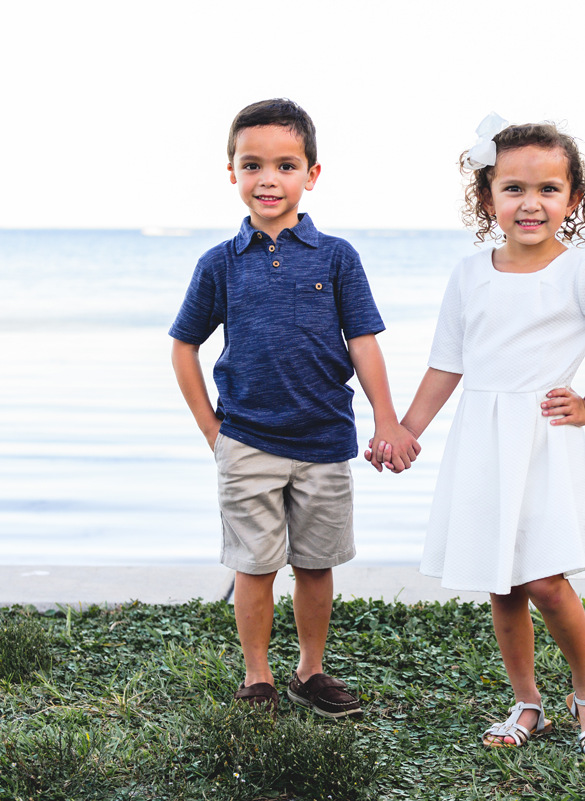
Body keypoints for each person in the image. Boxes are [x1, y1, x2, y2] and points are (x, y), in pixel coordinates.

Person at [371, 116, 585, 757]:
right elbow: (448, 362)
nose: (531, 203)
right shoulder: (470, 274)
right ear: (487, 197)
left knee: (545, 580)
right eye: (513, 188)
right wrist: (407, 430)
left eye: (548, 189)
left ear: (573, 200)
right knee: (501, 581)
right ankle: (527, 701)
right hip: (482, 437)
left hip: (542, 442)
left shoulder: (580, 274)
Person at [170, 98, 418, 717]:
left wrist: (387, 420)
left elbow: (364, 344)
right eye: (252, 166)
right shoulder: (219, 264)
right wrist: (211, 430)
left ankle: (311, 672)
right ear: (233, 173)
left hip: (326, 440)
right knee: (254, 566)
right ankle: (259, 677)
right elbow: (183, 347)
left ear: (311, 173)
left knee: (315, 564)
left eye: (285, 165)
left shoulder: (337, 258)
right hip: (247, 438)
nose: (268, 179)